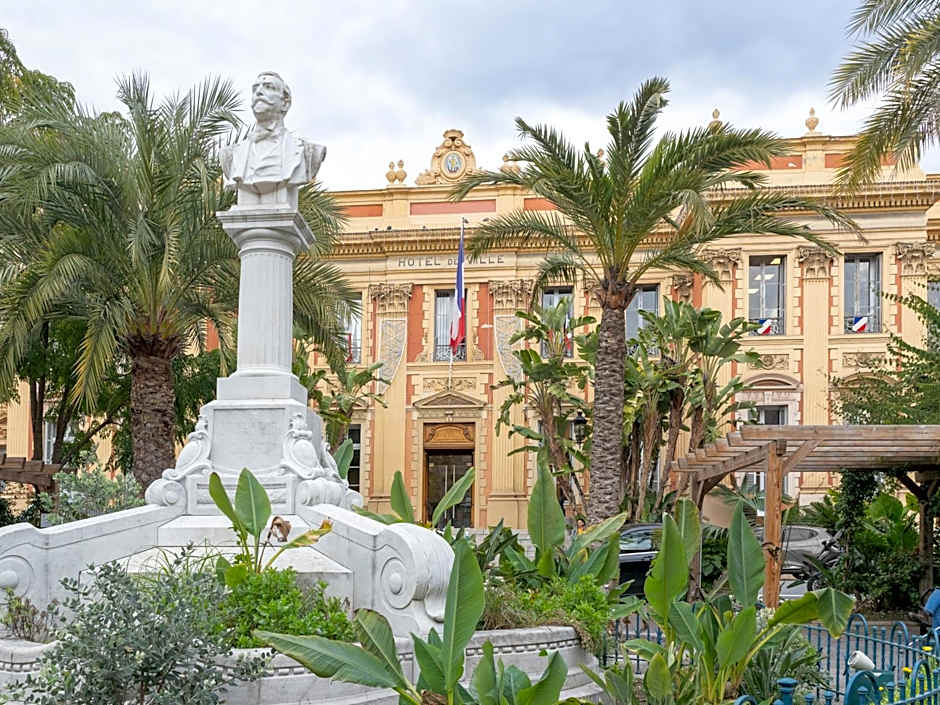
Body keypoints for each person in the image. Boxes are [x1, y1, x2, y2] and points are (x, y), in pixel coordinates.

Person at [221, 71, 325, 207]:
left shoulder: (309, 152)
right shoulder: (230, 155)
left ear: (285, 103)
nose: (258, 92)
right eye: (255, 89)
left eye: (268, 87)